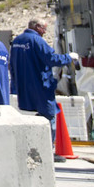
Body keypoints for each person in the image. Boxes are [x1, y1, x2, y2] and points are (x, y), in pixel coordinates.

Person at [9, 19, 76, 160]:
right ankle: (46, 150)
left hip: (23, 88)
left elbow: (12, 65)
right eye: (44, 28)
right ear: (37, 27)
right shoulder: (37, 41)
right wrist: (69, 57)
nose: (45, 31)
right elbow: (51, 59)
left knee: (32, 117)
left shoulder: (16, 42)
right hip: (40, 87)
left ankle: (30, 147)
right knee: (49, 116)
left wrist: (15, 85)